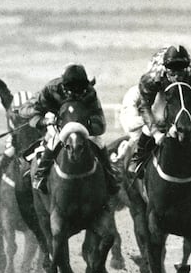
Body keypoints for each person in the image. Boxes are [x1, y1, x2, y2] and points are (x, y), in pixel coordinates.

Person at [21, 63, 119, 195]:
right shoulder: (51, 89)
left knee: (98, 141)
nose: (76, 93)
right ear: (63, 85)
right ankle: (41, 174)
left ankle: (110, 174)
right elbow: (27, 111)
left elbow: (100, 123)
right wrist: (46, 120)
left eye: (80, 89)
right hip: (56, 123)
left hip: (81, 124)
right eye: (72, 89)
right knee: (54, 139)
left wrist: (86, 126)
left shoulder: (90, 92)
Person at [129, 45, 191, 177]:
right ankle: (138, 158)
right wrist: (156, 133)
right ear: (166, 69)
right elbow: (144, 107)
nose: (177, 78)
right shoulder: (152, 77)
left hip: (184, 91)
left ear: (186, 69)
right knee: (159, 117)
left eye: (180, 73)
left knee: (190, 122)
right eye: (172, 73)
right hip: (160, 89)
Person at [0, 51, 36, 192]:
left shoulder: (37, 109)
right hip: (16, 142)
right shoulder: (9, 101)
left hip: (34, 141)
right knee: (9, 152)